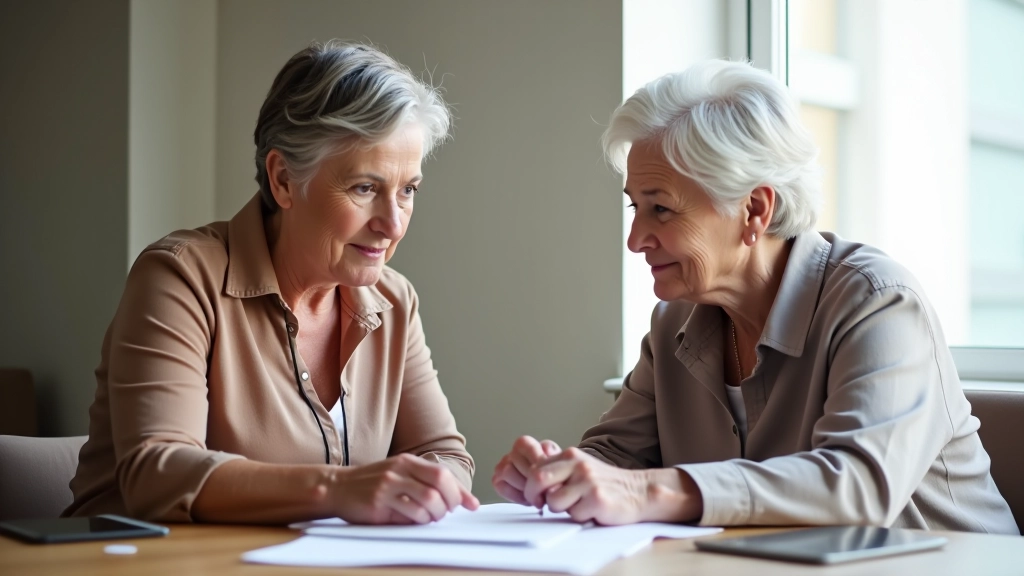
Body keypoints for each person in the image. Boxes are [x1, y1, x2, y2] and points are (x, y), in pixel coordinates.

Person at [492, 60, 1018, 534]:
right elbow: (617, 457)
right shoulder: (673, 323)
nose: (635, 240)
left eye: (662, 209)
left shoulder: (878, 303)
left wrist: (654, 491)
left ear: (754, 211)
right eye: (635, 208)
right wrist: (558, 475)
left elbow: (857, 484)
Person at [64, 41, 477, 525]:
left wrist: (432, 486)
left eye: (407, 190)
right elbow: (158, 473)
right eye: (365, 188)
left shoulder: (394, 300)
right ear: (283, 180)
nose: (393, 224)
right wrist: (339, 490)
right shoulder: (180, 277)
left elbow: (444, 453)